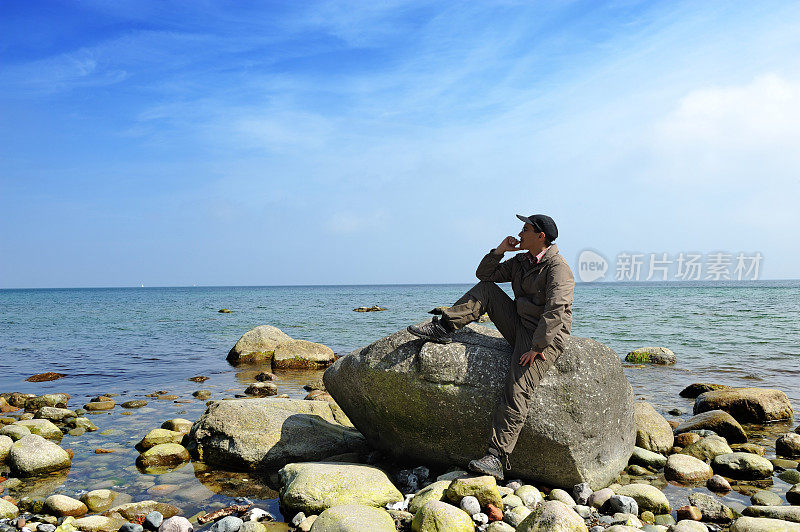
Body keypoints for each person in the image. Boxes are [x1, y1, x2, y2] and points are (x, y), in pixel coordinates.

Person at [407, 213, 574, 480]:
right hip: (519, 323)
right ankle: (443, 328)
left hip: (543, 338)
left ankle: (496, 457)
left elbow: (556, 310)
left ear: (541, 236)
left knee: (517, 388)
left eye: (525, 229)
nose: (520, 234)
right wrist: (500, 250)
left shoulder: (558, 268)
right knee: (485, 290)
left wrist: (537, 347)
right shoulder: (522, 260)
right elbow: (485, 275)